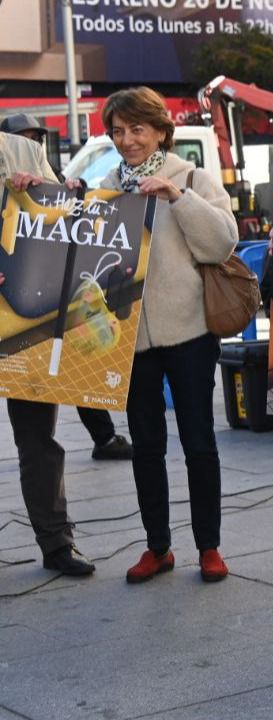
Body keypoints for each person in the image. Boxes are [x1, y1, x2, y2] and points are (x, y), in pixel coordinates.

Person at [91, 87, 239, 584]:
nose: (126, 140)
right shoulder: (107, 187)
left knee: (199, 442)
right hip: (131, 338)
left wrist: (178, 197)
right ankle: (157, 547)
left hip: (191, 331)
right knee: (147, 446)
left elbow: (222, 241)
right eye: (118, 131)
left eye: (136, 129)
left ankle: (209, 547)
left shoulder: (191, 176)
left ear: (159, 130)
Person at [1, 113, 135, 461]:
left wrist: (74, 192)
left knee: (74, 359)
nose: (33, 143)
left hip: (50, 289)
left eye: (36, 137)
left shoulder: (43, 171)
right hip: (19, 299)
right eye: (25, 137)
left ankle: (103, 437)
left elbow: (69, 218)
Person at [0, 133, 96, 576]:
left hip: (25, 317)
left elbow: (61, 222)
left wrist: (51, 191)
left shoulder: (26, 151)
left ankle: (57, 543)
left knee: (38, 437)